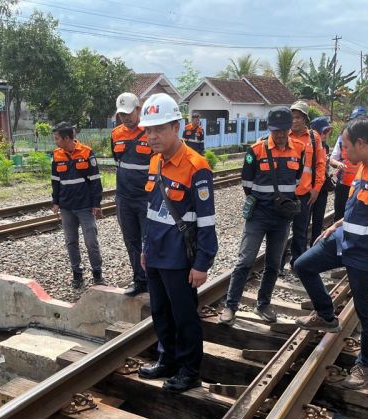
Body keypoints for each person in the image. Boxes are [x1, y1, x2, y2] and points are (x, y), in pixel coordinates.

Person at [293, 117, 368, 389]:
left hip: (367, 254)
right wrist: (335, 225)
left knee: (367, 313)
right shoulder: (364, 166)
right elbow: (356, 207)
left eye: (345, 146)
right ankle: (325, 315)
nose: (342, 152)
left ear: (360, 143)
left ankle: (365, 367)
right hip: (342, 240)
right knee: (303, 265)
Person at [137, 93, 218, 393]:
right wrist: (145, 249)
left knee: (184, 316)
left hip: (179, 257)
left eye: (158, 129)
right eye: (148, 129)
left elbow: (207, 221)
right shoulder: (155, 162)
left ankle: (189, 371)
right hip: (156, 253)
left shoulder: (197, 167)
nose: (152, 136)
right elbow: (152, 211)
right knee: (160, 311)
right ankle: (166, 359)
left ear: (175, 127)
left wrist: (203, 263)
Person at [219, 107, 306, 326]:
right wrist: (264, 201)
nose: (280, 135)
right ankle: (230, 306)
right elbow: (247, 184)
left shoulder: (299, 150)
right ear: (269, 129)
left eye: (284, 130)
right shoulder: (255, 151)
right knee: (245, 261)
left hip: (282, 219)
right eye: (276, 130)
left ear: (289, 129)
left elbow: (296, 180)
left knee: (274, 264)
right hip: (258, 216)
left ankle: (263, 304)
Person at [51, 122, 104, 289]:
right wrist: (55, 202)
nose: (56, 142)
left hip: (85, 207)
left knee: (91, 241)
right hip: (67, 207)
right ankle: (77, 274)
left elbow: (95, 181)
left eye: (57, 138)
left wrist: (96, 203)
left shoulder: (87, 152)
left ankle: (97, 273)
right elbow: (55, 181)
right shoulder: (56, 155)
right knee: (71, 242)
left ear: (67, 138)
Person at [112, 92, 152, 296]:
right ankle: (139, 280)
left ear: (138, 109)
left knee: (150, 241)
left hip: (146, 198)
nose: (125, 118)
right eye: (121, 115)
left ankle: (154, 282)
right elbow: (117, 163)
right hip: (124, 198)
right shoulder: (116, 134)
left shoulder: (151, 132)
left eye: (128, 113)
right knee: (131, 241)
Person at [280, 100, 325, 272]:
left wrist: (317, 188)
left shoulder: (314, 138)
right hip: (285, 193)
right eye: (292, 116)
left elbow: (320, 164)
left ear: (305, 118)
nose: (294, 120)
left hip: (305, 193)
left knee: (300, 231)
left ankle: (297, 264)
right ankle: (278, 266)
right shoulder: (283, 135)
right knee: (281, 231)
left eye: (298, 117)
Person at [329, 105, 368, 222]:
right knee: (340, 215)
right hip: (344, 185)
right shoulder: (342, 138)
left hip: (364, 185)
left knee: (361, 216)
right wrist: (338, 164)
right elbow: (333, 159)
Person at [308, 116, 333, 245]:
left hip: (321, 189)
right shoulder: (307, 146)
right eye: (323, 131)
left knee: (318, 220)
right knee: (304, 221)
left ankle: (314, 246)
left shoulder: (326, 147)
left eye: (327, 131)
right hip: (308, 190)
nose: (325, 134)